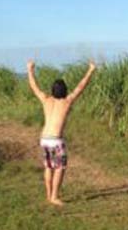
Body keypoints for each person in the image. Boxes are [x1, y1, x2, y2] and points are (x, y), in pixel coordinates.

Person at [27, 59, 96, 206]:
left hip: (44, 138)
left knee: (48, 167)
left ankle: (48, 195)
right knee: (59, 168)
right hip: (56, 140)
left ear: (52, 90)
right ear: (65, 91)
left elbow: (34, 87)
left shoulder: (45, 99)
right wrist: (90, 70)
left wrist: (30, 69)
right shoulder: (67, 101)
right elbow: (81, 87)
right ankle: (54, 197)